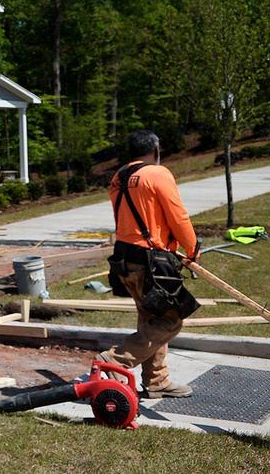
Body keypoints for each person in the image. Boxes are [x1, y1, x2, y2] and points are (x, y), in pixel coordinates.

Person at [98, 130, 200, 398]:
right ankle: (116, 360)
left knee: (151, 317)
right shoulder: (157, 173)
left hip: (124, 258)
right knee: (170, 321)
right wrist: (193, 249)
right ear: (155, 150)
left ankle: (157, 381)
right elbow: (178, 216)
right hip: (150, 261)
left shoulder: (117, 179)